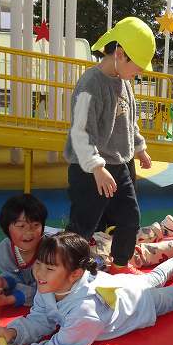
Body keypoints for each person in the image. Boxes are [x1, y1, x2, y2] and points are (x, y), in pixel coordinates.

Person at [0, 231, 173, 345]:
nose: (39, 273)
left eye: (49, 268)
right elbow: (40, 318)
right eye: (38, 264)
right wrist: (14, 332)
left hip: (139, 304)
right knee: (154, 277)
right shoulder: (48, 286)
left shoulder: (84, 311)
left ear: (75, 274)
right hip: (124, 285)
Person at [64, 17, 154, 276]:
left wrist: (139, 148)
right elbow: (80, 131)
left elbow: (130, 120)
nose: (140, 73)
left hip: (118, 165)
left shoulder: (124, 81)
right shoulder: (89, 84)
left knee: (130, 218)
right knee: (83, 225)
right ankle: (65, 269)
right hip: (89, 169)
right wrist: (96, 167)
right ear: (120, 54)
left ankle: (120, 266)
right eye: (138, 67)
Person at [0, 194, 57, 308]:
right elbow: (13, 274)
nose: (29, 232)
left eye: (35, 225)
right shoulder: (5, 248)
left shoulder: (52, 249)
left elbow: (48, 289)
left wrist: (11, 299)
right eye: (21, 226)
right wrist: (4, 281)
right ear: (6, 229)